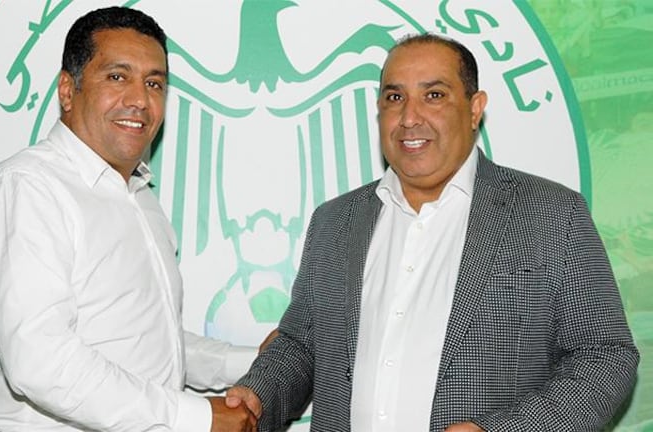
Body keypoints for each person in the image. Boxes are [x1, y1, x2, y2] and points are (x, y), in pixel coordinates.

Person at [226, 33, 639, 431]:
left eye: (434, 95)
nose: (409, 118)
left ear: (475, 108)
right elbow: (300, 346)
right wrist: (257, 397)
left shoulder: (551, 214)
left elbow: (606, 356)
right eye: (395, 98)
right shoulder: (334, 222)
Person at [0, 6, 257, 432]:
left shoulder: (141, 198)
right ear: (68, 91)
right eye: (118, 77)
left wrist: (251, 362)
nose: (139, 99)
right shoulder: (27, 187)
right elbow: (40, 360)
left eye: (154, 83)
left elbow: (147, 343)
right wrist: (195, 417)